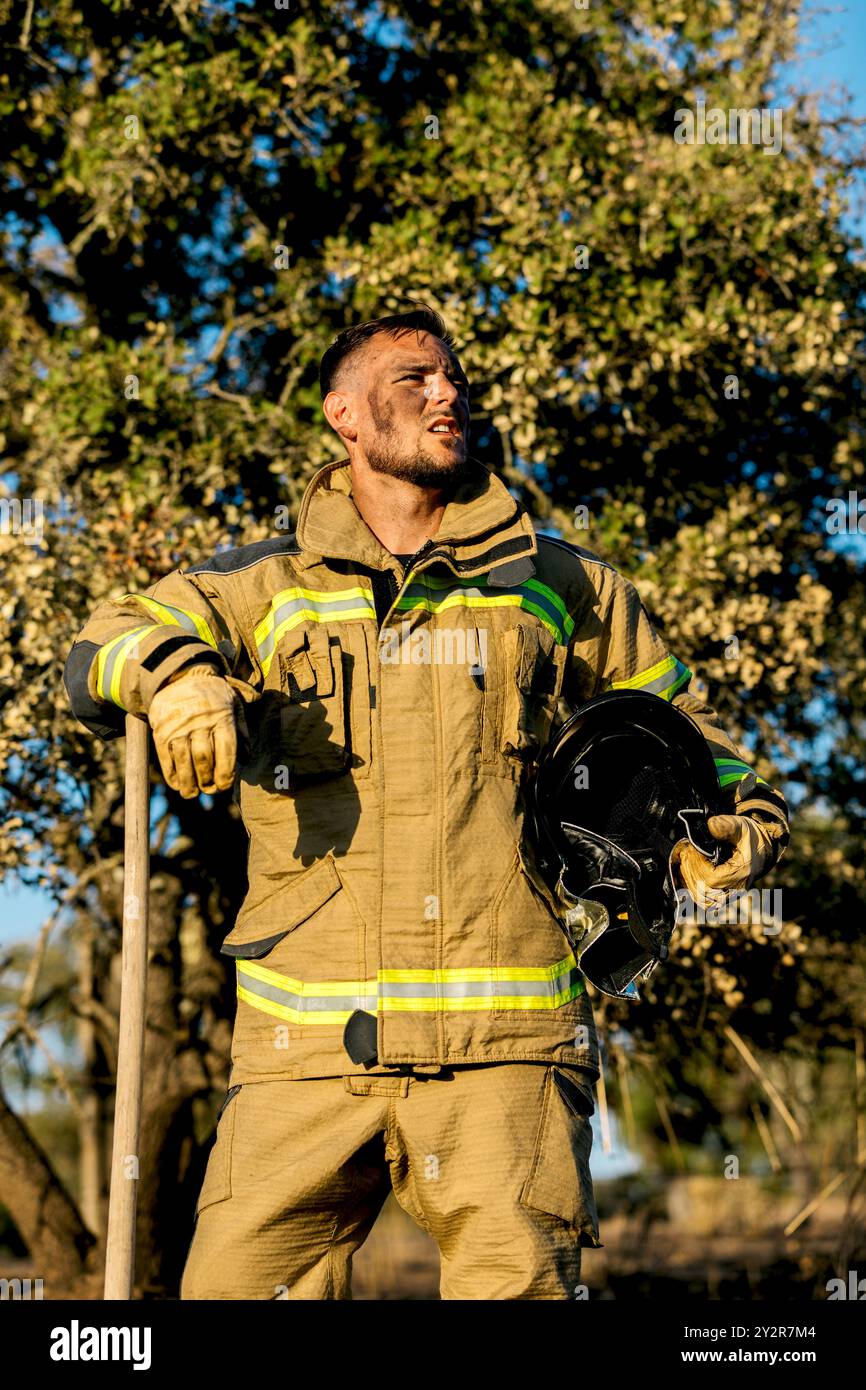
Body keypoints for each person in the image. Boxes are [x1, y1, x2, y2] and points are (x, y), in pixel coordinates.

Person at [64, 305, 790, 1299]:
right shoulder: (263, 582)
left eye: (452, 378)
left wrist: (731, 827)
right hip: (301, 1055)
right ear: (346, 417)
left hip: (507, 1058)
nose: (447, 392)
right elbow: (100, 641)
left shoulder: (555, 579)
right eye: (413, 379)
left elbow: (690, 734)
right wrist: (179, 675)